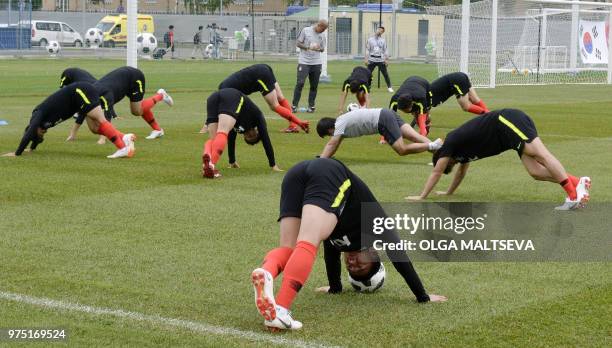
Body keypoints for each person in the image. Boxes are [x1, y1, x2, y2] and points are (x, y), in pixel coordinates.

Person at [250, 158, 447, 331]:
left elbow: (331, 255)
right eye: (362, 264)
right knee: (309, 241)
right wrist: (423, 296)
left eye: (352, 268)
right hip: (330, 173)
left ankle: (266, 272)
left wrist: (335, 287)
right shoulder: (375, 225)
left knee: (288, 248)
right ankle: (281, 309)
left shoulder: (337, 243)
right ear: (373, 254)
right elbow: (398, 255)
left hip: (297, 174)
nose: (353, 263)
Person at [406, 109, 591, 211]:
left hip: (506, 121)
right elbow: (461, 172)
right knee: (535, 171)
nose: (452, 164)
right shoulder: (460, 154)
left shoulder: (450, 142)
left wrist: (422, 196)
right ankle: (576, 183)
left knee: (540, 154)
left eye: (449, 163)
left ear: (443, 157)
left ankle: (572, 195)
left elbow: (437, 171)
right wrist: (448, 192)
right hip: (507, 138)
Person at [2, 82, 135, 159]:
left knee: (100, 119)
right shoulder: (42, 125)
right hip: (78, 101)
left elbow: (31, 130)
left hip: (80, 91)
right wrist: (31, 149)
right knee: (95, 129)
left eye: (40, 133)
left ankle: (122, 148)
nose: (44, 132)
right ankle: (125, 137)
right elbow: (34, 133)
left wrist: (17, 153)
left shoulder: (38, 114)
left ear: (33, 128)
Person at [66, 66, 174, 141]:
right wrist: (73, 134)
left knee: (137, 111)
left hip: (134, 78)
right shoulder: (89, 98)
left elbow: (108, 115)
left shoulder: (104, 95)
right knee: (138, 109)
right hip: (123, 80)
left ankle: (161, 95)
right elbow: (83, 113)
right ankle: (158, 130)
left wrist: (103, 138)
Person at [202, 88, 282, 178]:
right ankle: (211, 166)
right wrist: (273, 164)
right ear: (256, 131)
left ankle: (207, 164)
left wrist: (232, 161)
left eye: (248, 137)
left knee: (214, 139)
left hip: (213, 98)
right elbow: (266, 141)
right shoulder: (258, 118)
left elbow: (231, 139)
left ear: (244, 136)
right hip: (233, 97)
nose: (250, 135)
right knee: (223, 132)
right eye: (253, 135)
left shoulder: (237, 128)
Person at [217, 64, 309, 133]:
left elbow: (229, 111)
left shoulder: (225, 91)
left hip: (259, 75)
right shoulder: (225, 88)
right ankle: (293, 126)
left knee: (274, 106)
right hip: (264, 68)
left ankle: (299, 123)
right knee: (280, 97)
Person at [316, 108, 442, 158]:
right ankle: (442, 153)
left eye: (328, 134)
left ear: (329, 129)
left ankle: (432, 146)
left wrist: (321, 160)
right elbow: (335, 145)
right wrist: (325, 157)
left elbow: (332, 144)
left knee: (401, 149)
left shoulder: (339, 124)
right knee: (415, 136)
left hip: (382, 120)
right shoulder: (342, 123)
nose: (330, 137)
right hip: (386, 113)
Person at [288, 19, 328, 131]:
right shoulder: (306, 30)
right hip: (304, 62)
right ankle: (294, 105)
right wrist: (307, 47)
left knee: (314, 85)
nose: (323, 31)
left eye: (324, 30)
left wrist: (318, 48)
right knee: (300, 83)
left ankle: (311, 106)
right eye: (322, 29)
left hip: (316, 63)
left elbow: (323, 48)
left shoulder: (322, 35)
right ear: (319, 25)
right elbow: (298, 43)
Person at [365, 26, 393, 93]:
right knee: (368, 74)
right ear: (376, 30)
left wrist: (386, 59)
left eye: (381, 30)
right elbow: (367, 50)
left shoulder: (383, 41)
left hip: (380, 59)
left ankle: (389, 87)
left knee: (385, 74)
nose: (379, 31)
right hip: (372, 59)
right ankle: (367, 87)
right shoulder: (370, 40)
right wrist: (366, 58)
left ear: (382, 32)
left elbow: (385, 50)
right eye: (379, 29)